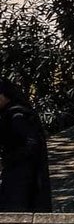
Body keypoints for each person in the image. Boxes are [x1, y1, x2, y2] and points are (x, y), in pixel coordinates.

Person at [0, 79, 52, 213]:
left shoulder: (17, 116)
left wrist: (11, 159)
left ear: (4, 95)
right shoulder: (17, 113)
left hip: (20, 177)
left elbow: (31, 142)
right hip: (25, 176)